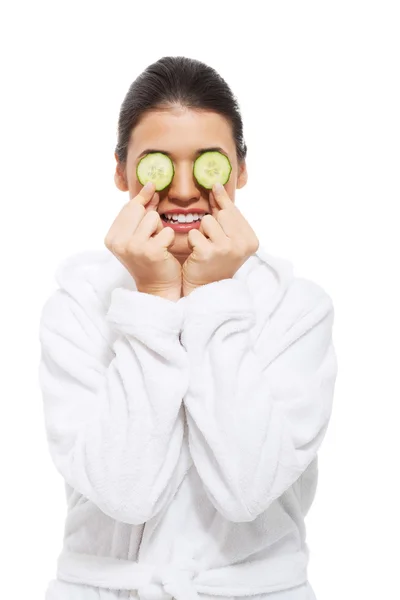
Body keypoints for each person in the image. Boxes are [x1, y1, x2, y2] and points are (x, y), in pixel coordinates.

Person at [38, 56, 338, 600]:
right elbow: (123, 492)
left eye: (208, 164)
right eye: (157, 164)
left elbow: (246, 489)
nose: (180, 191)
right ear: (121, 171)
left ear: (240, 171)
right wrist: (152, 298)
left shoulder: (299, 309)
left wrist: (213, 297)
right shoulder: (76, 307)